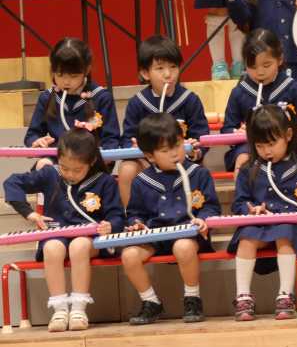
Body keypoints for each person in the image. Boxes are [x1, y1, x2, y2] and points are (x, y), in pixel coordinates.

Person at [4, 128, 125, 332]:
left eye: (77, 170)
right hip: (56, 234)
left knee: (79, 246)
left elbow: (117, 216)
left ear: (92, 161)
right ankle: (59, 310)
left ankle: (78, 309)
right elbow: (12, 182)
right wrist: (30, 213)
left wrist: (110, 225)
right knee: (51, 248)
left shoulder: (104, 181)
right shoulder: (51, 174)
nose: (69, 174)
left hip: (89, 238)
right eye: (64, 167)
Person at [227, 104, 297, 321]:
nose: (266, 151)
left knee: (285, 234)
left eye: (272, 144)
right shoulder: (249, 169)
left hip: (294, 228)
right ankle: (243, 296)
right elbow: (239, 203)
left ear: (288, 135)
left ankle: (285, 295)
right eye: (260, 145)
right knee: (246, 238)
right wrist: (251, 210)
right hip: (261, 226)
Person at [121, 113, 221, 325]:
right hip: (155, 238)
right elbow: (135, 213)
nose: (174, 153)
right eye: (165, 151)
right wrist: (136, 224)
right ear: (150, 156)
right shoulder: (141, 181)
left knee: (183, 247)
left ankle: (192, 298)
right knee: (129, 255)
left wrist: (204, 219)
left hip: (190, 235)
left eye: (177, 145)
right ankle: (151, 301)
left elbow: (211, 206)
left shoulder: (199, 173)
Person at [119, 35, 210, 206]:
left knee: (201, 170)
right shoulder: (137, 103)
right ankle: (132, 218)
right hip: (149, 163)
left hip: (181, 160)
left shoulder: (189, 100)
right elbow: (127, 139)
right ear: (145, 73)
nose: (168, 74)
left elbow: (201, 136)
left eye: (173, 67)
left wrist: (194, 149)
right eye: (160, 68)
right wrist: (134, 146)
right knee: (127, 169)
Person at [221, 28, 297, 173]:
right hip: (251, 146)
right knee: (243, 159)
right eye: (252, 67)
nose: (260, 72)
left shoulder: (292, 88)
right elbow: (227, 129)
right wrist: (237, 132)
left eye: (266, 65)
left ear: (280, 59)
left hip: (288, 146)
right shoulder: (239, 92)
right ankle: (243, 188)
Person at [25, 37, 120, 169]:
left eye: (73, 76)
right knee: (43, 165)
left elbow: (111, 139)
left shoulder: (101, 97)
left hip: (91, 161)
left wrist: (104, 157)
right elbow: (32, 135)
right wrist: (37, 142)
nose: (66, 82)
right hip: (58, 159)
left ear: (87, 70)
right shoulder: (46, 97)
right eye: (59, 75)